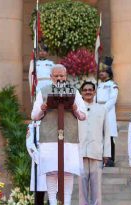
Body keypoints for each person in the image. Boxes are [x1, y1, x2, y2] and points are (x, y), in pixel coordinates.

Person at [31, 64, 87, 205]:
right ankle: (52, 202)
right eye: (56, 76)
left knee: (68, 171)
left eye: (62, 75)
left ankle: (66, 203)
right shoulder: (43, 91)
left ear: (66, 76)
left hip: (69, 137)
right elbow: (34, 116)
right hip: (49, 137)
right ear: (51, 77)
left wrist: (75, 109)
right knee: (51, 171)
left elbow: (83, 115)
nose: (59, 78)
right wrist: (43, 109)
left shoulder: (74, 91)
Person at [27, 42, 53, 204]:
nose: (42, 53)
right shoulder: (33, 63)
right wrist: (37, 157)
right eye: (40, 51)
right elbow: (31, 77)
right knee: (39, 191)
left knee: (52, 191)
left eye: (44, 51)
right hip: (38, 160)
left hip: (50, 160)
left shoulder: (52, 64)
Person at [78, 81, 111, 205]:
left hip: (96, 152)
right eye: (85, 90)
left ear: (94, 92)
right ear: (81, 93)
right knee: (82, 188)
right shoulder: (77, 110)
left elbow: (107, 132)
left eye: (90, 90)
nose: (88, 92)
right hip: (81, 153)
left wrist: (106, 153)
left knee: (97, 188)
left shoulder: (102, 109)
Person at [96, 56, 118, 167]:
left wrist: (103, 109)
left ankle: (110, 159)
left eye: (103, 71)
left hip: (107, 112)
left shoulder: (112, 85)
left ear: (109, 73)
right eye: (100, 72)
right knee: (100, 135)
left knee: (109, 136)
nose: (101, 73)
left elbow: (113, 99)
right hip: (98, 111)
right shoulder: (99, 85)